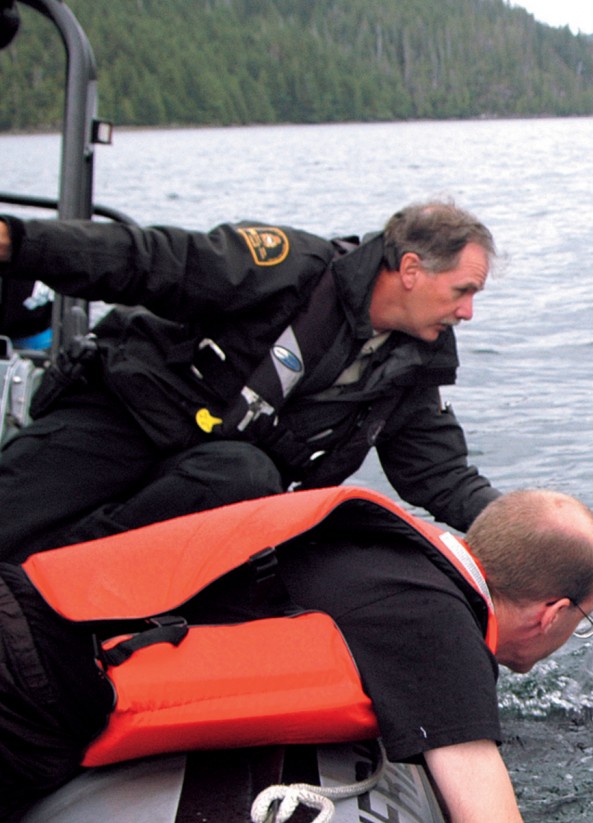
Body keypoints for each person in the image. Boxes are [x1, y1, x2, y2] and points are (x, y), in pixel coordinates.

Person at [0, 485, 593, 823]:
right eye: (583, 621)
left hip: (24, 606)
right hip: (26, 703)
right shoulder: (441, 633)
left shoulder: (396, 546)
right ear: (553, 613)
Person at [0, 200, 500, 561]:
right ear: (411, 269)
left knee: (245, 476)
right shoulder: (287, 267)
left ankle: (58, 575)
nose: (468, 312)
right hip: (123, 417)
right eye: (463, 290)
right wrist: (19, 242)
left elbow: (442, 477)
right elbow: (152, 259)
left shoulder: (410, 369)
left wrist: (525, 529)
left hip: (209, 476)